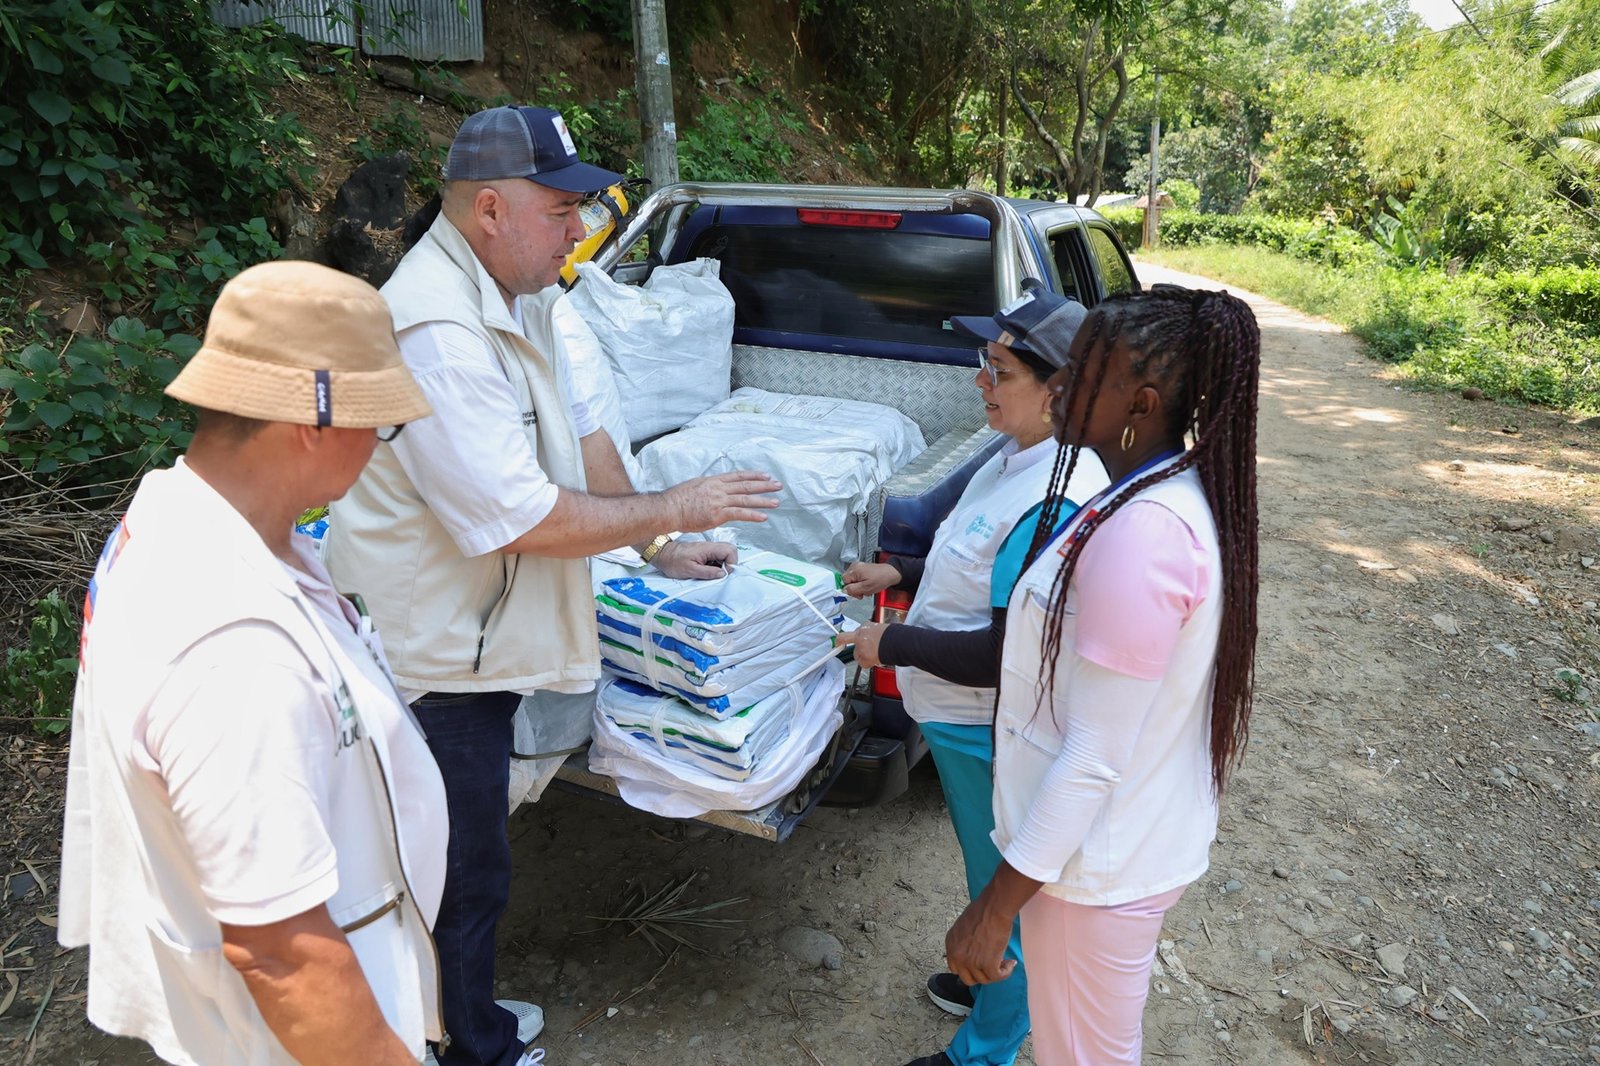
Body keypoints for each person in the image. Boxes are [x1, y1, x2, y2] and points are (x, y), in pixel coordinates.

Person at [324, 105, 780, 1066]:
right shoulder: (437, 326)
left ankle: (449, 1021)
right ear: (489, 208)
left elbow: (583, 435)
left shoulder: (519, 290)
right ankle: (461, 1046)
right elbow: (521, 515)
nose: (581, 229)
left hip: (479, 628)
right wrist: (683, 504)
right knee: (450, 864)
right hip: (432, 650)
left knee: (465, 851)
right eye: (562, 207)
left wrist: (655, 538)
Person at [59, 261, 447, 1065]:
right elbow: (282, 954)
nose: (379, 448)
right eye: (380, 424)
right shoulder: (230, 646)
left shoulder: (181, 516)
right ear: (313, 422)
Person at [943, 285, 1261, 1064]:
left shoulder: (1145, 533)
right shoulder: (1134, 493)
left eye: (1082, 372)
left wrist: (994, 908)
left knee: (1082, 1055)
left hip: (1097, 867)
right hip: (1097, 854)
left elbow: (1094, 753)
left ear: (1141, 403)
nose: (1056, 385)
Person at [836, 282, 1107, 1066]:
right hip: (959, 715)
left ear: (1057, 392)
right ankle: (991, 981)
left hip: (987, 721)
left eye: (999, 372)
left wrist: (891, 647)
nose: (980, 383)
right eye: (982, 364)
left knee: (1004, 890)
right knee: (984, 863)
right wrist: (899, 573)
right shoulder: (1019, 456)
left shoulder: (1056, 497)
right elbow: (976, 565)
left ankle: (986, 1045)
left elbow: (1002, 653)